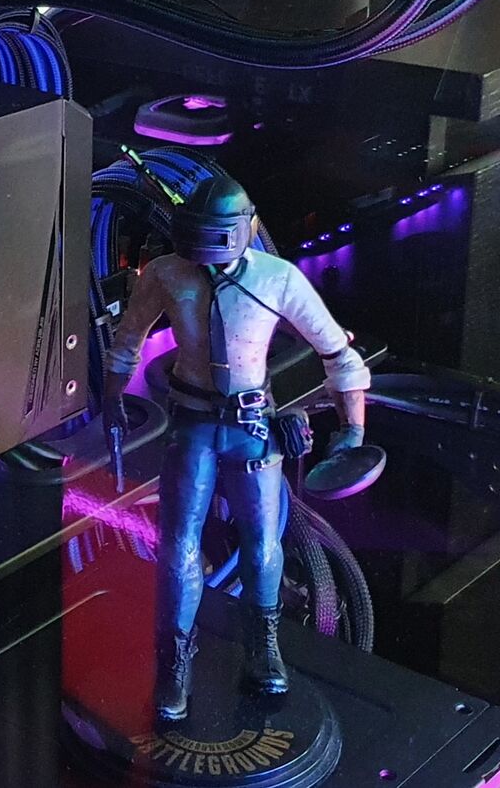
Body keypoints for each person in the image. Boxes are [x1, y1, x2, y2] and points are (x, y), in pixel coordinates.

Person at [102, 176, 373, 722]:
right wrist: (111, 399)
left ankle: (263, 647)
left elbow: (338, 353)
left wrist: (353, 430)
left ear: (244, 229)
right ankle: (173, 662)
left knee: (262, 544)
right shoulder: (166, 273)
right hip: (193, 424)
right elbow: (127, 340)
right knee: (178, 547)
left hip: (253, 425)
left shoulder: (278, 278)